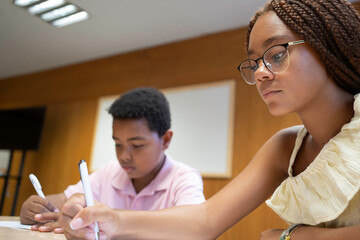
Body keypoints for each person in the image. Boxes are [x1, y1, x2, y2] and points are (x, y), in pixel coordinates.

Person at [58, 0, 360, 239]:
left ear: (327, 45)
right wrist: (113, 220)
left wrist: (295, 236)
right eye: (254, 61)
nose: (259, 72)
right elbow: (206, 221)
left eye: (277, 54)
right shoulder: (285, 147)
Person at [20, 87, 205, 233]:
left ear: (165, 140)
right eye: (118, 144)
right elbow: (63, 200)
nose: (124, 156)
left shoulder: (183, 178)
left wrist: (116, 219)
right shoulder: (109, 172)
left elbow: (195, 225)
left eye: (137, 145)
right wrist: (38, 208)